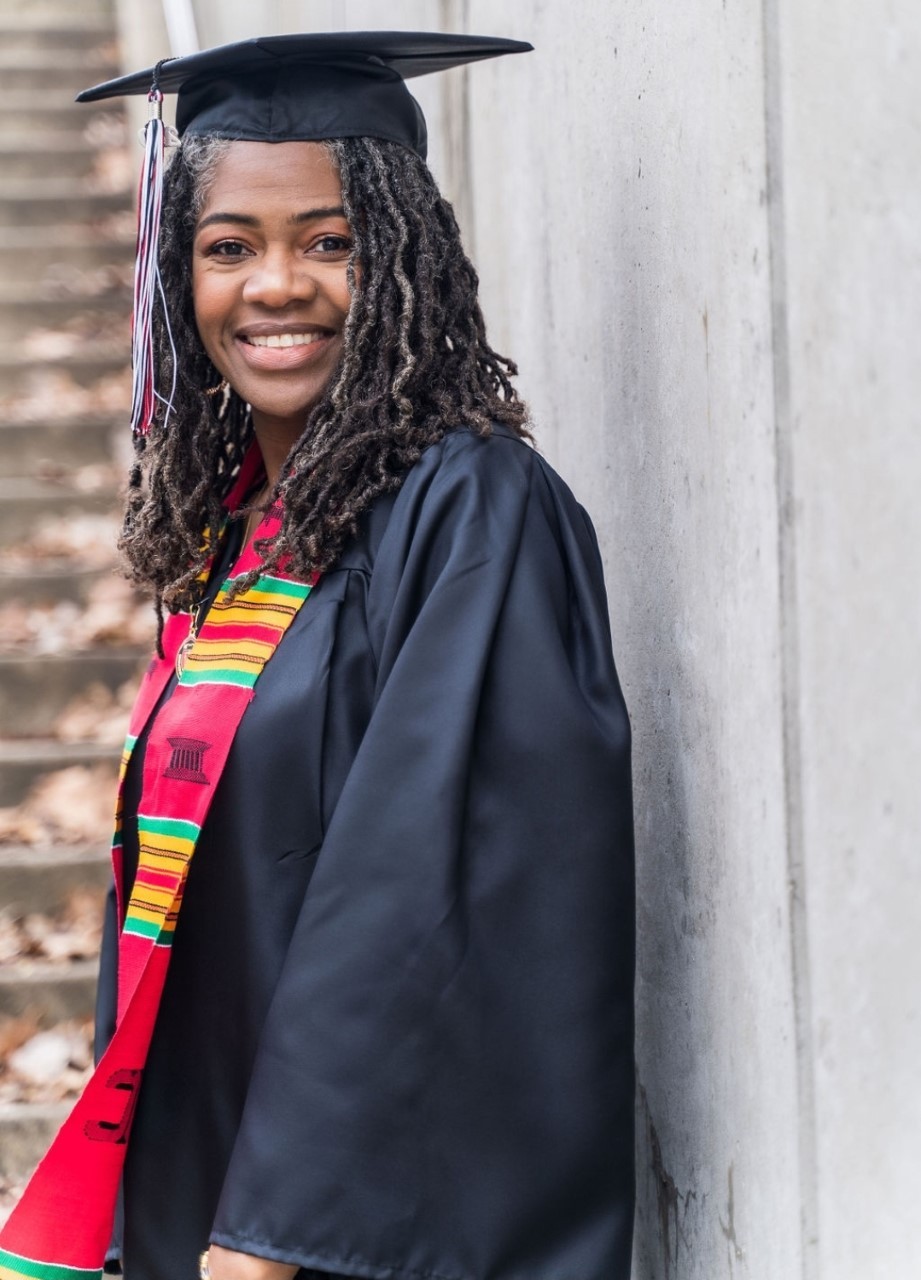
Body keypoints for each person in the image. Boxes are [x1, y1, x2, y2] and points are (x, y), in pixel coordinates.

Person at [0, 33, 635, 1280]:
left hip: (357, 1224)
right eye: (228, 246)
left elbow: (418, 887)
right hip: (225, 1175)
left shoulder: (475, 508)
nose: (274, 283)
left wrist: (273, 1229)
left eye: (329, 241)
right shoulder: (237, 533)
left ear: (404, 255)